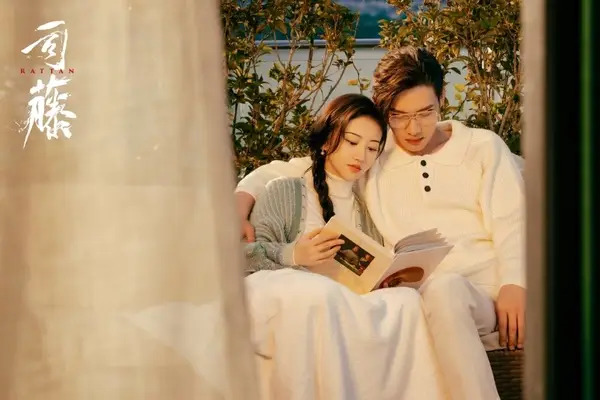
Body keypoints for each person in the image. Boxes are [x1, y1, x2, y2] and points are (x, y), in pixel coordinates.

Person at [236, 46, 526, 400]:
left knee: (445, 290)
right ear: (385, 111)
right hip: (424, 294)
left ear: (442, 100)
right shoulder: (376, 155)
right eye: (399, 116)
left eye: (425, 112)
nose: (414, 128)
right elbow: (302, 167)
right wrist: (240, 201)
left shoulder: (482, 147)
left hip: (487, 294)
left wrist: (515, 283)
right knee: (430, 294)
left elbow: (513, 220)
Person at [244, 93, 448, 400]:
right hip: (284, 293)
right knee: (322, 294)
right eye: (352, 142)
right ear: (328, 140)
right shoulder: (285, 190)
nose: (361, 156)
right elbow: (245, 258)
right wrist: (294, 254)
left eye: (372, 148)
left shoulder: (366, 209)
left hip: (340, 302)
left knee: (406, 302)